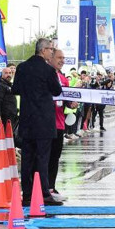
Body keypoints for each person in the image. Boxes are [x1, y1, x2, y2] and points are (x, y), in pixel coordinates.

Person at [11, 38, 63, 206]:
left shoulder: (22, 67)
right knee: (42, 158)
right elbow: (57, 90)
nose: (52, 53)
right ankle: (43, 193)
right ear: (43, 50)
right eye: (50, 50)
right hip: (44, 121)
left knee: (27, 158)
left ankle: (27, 194)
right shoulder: (48, 70)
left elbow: (16, 89)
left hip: (27, 119)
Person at [48, 49, 73, 202]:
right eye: (59, 57)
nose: (62, 60)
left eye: (64, 58)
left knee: (55, 157)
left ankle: (51, 186)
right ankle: (42, 187)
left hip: (60, 123)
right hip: (46, 123)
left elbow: (67, 99)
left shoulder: (64, 79)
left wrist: (71, 103)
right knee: (45, 157)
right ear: (51, 58)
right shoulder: (47, 76)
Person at [0, 63, 18, 130]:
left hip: (11, 116)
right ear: (2, 75)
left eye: (10, 73)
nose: (9, 75)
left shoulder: (9, 86)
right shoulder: (0, 86)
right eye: (6, 73)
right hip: (5, 117)